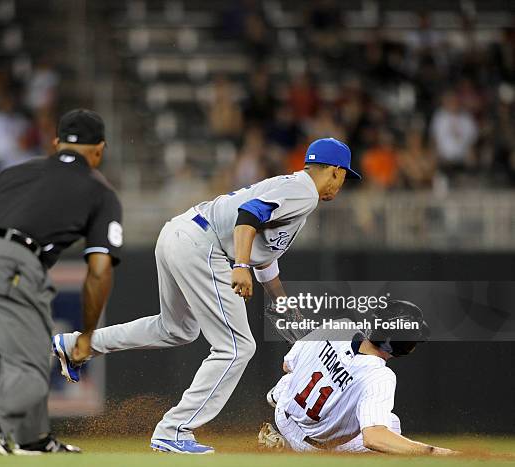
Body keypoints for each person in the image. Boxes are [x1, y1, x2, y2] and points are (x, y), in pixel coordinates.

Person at [52, 137, 360, 454]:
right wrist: (239, 265)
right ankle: (174, 430)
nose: (341, 185)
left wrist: (279, 298)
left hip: (179, 233)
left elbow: (266, 253)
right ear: (335, 171)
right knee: (237, 346)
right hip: (203, 245)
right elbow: (249, 215)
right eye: (344, 177)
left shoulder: (293, 189)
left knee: (176, 328)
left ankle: (77, 346)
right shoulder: (305, 192)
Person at [0, 109, 122, 455]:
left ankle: (33, 439)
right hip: (13, 261)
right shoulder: (100, 192)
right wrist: (86, 334)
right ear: (100, 150)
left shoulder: (17, 170)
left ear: (56, 144)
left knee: (24, 353)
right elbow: (99, 269)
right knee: (32, 368)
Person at [258, 300, 459, 456]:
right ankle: (295, 446)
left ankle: (278, 408)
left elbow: (287, 365)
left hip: (283, 415)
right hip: (311, 446)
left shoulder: (340, 326)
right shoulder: (380, 376)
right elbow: (374, 439)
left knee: (294, 377)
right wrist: (437, 453)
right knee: (390, 424)